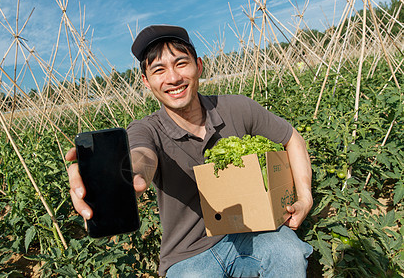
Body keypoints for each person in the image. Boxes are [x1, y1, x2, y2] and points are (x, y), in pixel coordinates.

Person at [66, 24, 313, 277]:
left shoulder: (238, 108)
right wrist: (129, 174)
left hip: (252, 232)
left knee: (287, 252)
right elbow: (142, 156)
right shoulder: (147, 130)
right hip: (189, 256)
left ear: (199, 66)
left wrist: (305, 198)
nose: (173, 78)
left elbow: (292, 138)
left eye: (181, 63)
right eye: (158, 70)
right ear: (146, 81)